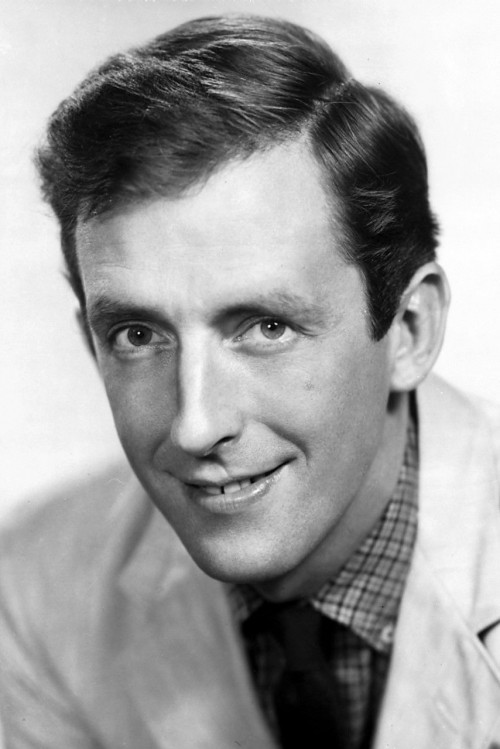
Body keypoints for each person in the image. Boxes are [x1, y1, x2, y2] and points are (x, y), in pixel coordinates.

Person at [1, 13, 499, 749]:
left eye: (266, 327)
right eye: (137, 335)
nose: (195, 425)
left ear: (409, 330)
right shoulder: (33, 587)